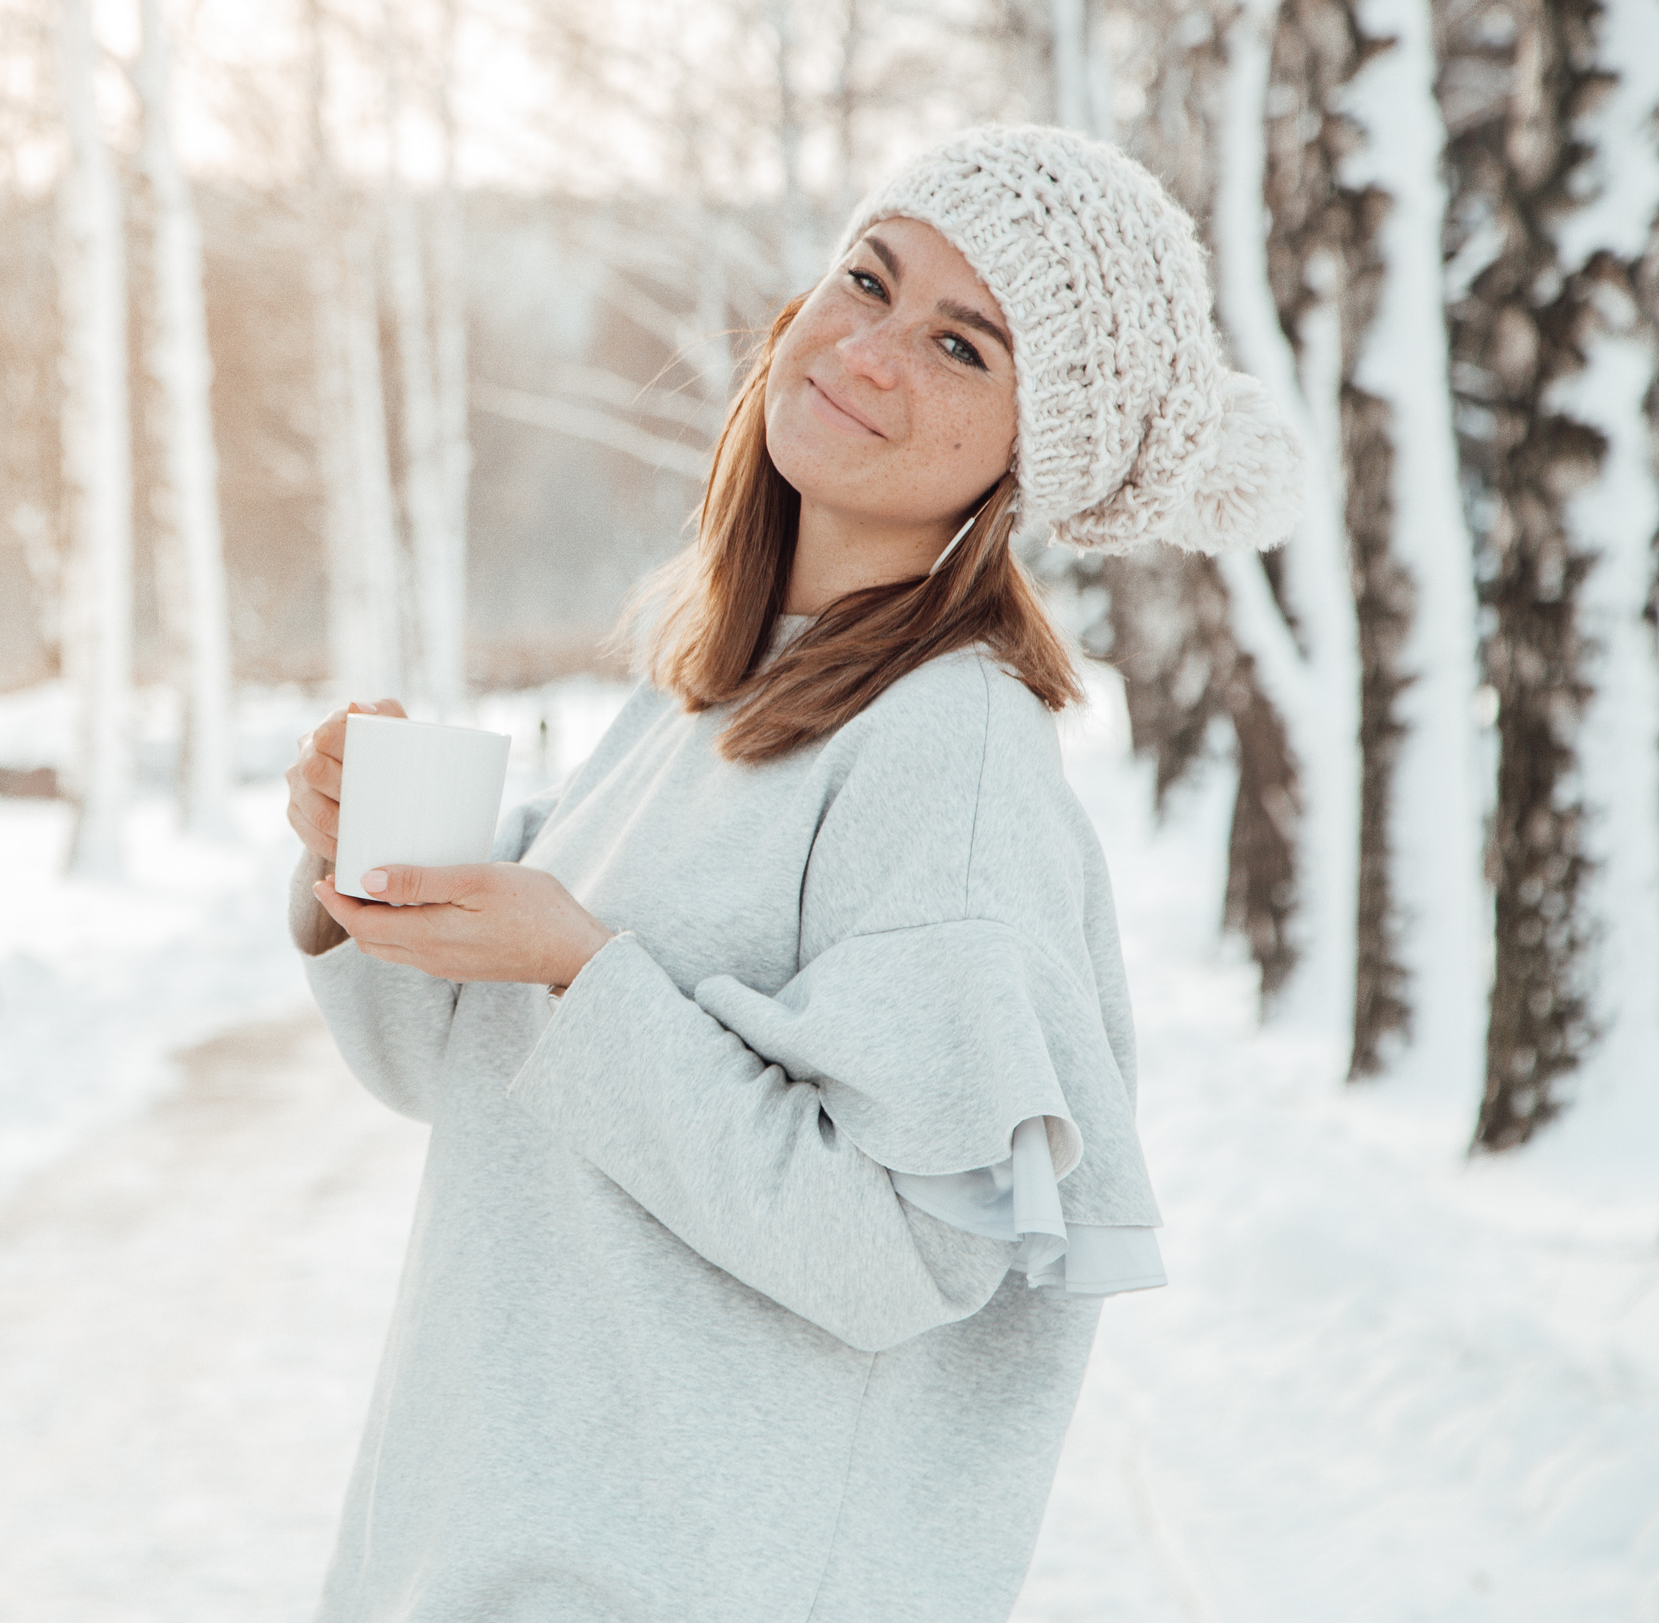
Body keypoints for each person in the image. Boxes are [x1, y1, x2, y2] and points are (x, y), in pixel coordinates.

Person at [281, 124, 1303, 1623]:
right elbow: (465, 1068)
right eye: (867, 279)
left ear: (1036, 451)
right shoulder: (709, 690)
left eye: (961, 345)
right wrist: (351, 875)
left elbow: (908, 1244)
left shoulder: (945, 752)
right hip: (478, 1544)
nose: (869, 351)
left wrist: (581, 968)